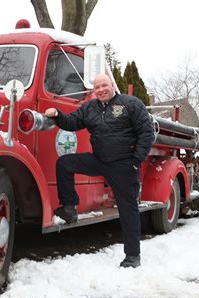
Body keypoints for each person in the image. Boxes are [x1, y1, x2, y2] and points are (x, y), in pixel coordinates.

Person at [45, 73, 154, 268]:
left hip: (123, 165)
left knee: (127, 210)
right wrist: (57, 115)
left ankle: (133, 256)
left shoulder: (131, 104)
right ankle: (69, 208)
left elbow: (146, 132)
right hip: (99, 160)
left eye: (105, 85)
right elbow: (71, 123)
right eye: (97, 87)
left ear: (112, 85)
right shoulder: (89, 108)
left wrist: (136, 161)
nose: (101, 90)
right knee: (65, 164)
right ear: (93, 91)